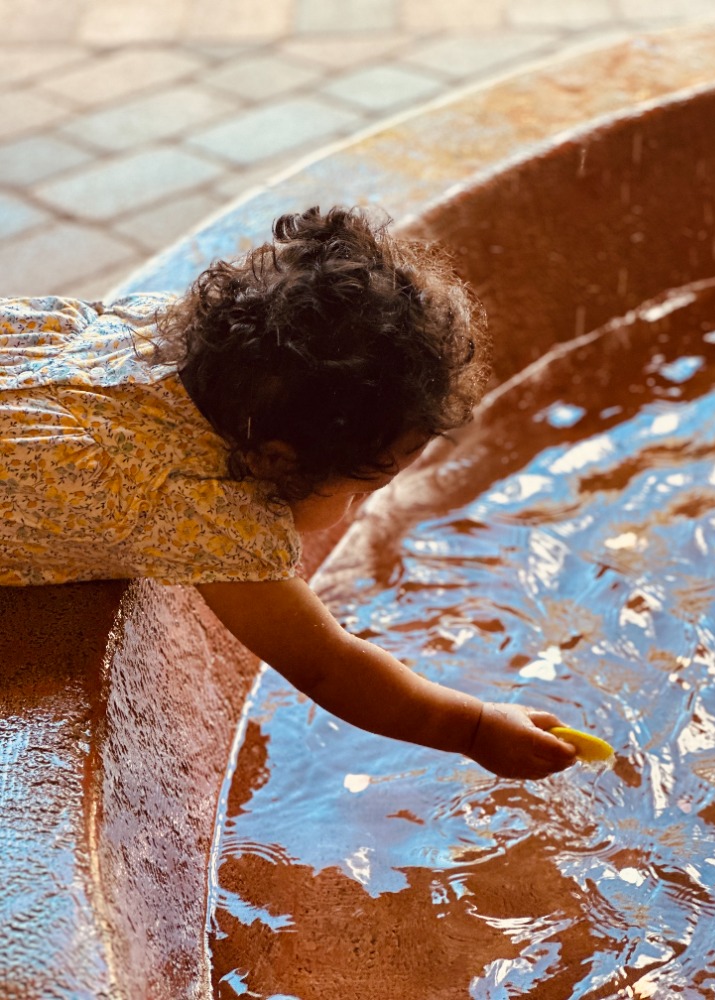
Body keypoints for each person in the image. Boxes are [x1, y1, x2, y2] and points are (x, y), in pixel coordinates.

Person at [0, 205, 575, 780]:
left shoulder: (156, 332)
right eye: (361, 489)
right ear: (278, 461)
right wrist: (471, 726)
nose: (361, 508)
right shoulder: (208, 511)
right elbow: (327, 665)